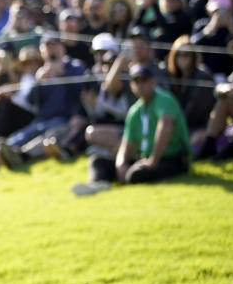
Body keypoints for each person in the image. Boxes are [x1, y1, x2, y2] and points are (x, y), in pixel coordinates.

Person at [73, 63, 190, 195]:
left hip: (172, 159)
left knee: (135, 174)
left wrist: (153, 160)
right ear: (132, 86)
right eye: (136, 81)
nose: (140, 85)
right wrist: (121, 164)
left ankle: (125, 177)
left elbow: (166, 127)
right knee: (97, 161)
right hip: (145, 159)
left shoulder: (164, 99)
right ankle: (96, 186)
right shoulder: (135, 111)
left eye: (144, 81)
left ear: (153, 81)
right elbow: (127, 144)